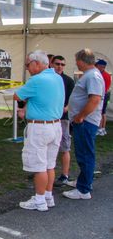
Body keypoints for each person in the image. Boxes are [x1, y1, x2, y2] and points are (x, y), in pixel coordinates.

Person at [14, 50, 64, 211]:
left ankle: (40, 200)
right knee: (50, 165)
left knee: (39, 166)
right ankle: (48, 196)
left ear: (36, 63)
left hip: (40, 127)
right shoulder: (57, 77)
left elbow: (17, 96)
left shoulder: (36, 80)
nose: (27, 68)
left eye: (28, 64)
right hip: (56, 125)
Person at [64, 49, 104, 200]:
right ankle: (84, 181)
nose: (76, 63)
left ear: (81, 60)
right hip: (84, 121)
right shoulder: (91, 75)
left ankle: (83, 190)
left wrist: (81, 116)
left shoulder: (92, 76)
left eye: (76, 60)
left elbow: (94, 99)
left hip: (85, 122)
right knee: (84, 153)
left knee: (85, 154)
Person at [51, 56, 76, 187]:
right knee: (48, 147)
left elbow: (73, 101)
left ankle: (65, 175)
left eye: (62, 64)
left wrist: (64, 110)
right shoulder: (47, 79)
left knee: (64, 148)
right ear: (51, 64)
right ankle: (45, 172)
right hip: (48, 119)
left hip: (63, 119)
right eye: (57, 64)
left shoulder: (69, 81)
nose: (60, 66)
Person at [95, 59, 110, 136]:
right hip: (105, 94)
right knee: (103, 112)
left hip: (103, 95)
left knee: (101, 112)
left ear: (101, 67)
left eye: (96, 65)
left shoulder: (103, 75)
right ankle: (102, 128)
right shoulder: (106, 74)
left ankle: (100, 128)